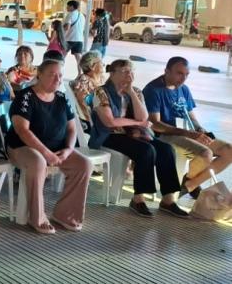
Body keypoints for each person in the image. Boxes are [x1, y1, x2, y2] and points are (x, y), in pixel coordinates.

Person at [89, 59, 188, 218]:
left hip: (135, 134)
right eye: (124, 71)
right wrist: (137, 122)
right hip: (109, 135)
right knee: (146, 150)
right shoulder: (101, 92)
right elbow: (110, 122)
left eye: (131, 71)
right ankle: (138, 198)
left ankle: (168, 200)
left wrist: (131, 93)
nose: (129, 75)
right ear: (112, 74)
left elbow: (144, 116)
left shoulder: (136, 91)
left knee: (166, 149)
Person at [5, 59, 91, 234]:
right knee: (38, 162)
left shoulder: (62, 98)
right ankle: (36, 217)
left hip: (57, 149)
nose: (57, 79)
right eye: (52, 75)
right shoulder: (25, 97)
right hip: (21, 148)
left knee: (84, 165)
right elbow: (23, 131)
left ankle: (65, 214)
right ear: (39, 75)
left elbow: (72, 127)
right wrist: (46, 154)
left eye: (60, 75)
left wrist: (68, 149)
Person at [144, 57, 232, 199]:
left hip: (185, 133)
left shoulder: (183, 89)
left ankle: (190, 184)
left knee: (228, 151)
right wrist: (189, 134)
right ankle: (190, 185)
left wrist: (199, 128)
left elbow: (191, 116)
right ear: (166, 71)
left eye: (186, 74)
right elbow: (156, 124)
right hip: (163, 135)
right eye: (179, 73)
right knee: (206, 153)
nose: (183, 78)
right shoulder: (153, 90)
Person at [70, 51, 105, 128]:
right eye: (101, 62)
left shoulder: (101, 78)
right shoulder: (83, 81)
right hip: (92, 122)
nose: (103, 64)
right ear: (92, 66)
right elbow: (84, 107)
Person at [63, 0, 86, 73]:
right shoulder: (82, 15)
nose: (67, 7)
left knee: (62, 56)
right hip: (79, 39)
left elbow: (67, 28)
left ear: (72, 7)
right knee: (78, 58)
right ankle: (80, 73)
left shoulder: (70, 14)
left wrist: (61, 31)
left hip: (69, 39)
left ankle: (59, 72)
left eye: (68, 6)